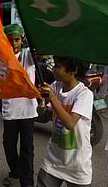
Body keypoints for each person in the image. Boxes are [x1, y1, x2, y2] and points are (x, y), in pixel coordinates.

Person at [38, 56, 93, 187]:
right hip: (53, 160)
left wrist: (52, 98)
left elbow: (70, 123)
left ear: (72, 71)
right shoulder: (56, 86)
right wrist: (43, 104)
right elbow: (42, 112)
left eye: (58, 66)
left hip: (77, 164)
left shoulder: (84, 94)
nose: (54, 69)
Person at [2, 24, 37, 187]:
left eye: (16, 40)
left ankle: (27, 183)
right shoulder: (1, 58)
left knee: (27, 150)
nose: (14, 43)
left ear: (22, 39)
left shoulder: (29, 56)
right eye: (10, 40)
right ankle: (15, 171)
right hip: (9, 111)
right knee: (8, 146)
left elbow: (42, 52)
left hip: (28, 111)